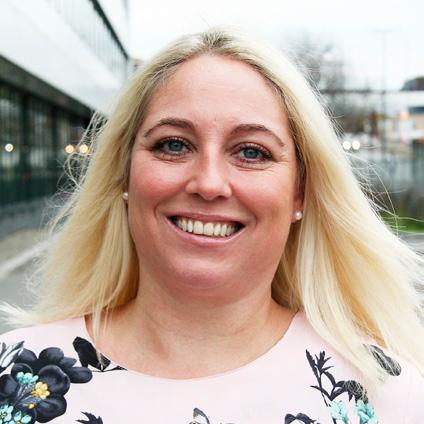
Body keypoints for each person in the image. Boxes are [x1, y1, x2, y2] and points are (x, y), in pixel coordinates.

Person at [0, 27, 423, 423]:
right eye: (174, 144)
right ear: (123, 175)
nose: (208, 183)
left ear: (300, 193)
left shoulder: (387, 397)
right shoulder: (12, 376)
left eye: (252, 152)